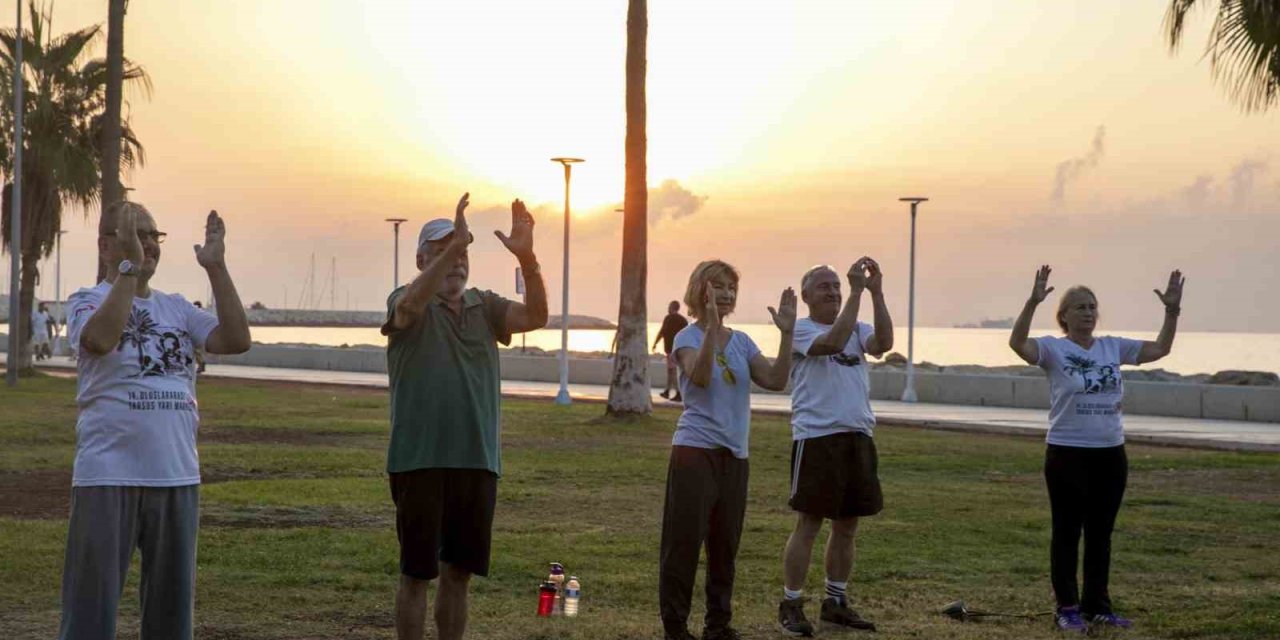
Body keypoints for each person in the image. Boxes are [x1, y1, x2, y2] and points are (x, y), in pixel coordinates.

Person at [60, 202, 251, 640]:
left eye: (152, 235)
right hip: (107, 476)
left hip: (176, 476)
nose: (147, 243)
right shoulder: (85, 301)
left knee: (171, 617)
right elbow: (101, 339)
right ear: (106, 246)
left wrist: (216, 268)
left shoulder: (178, 308)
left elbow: (236, 339)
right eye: (134, 234)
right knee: (90, 614)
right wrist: (128, 269)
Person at [381, 193, 548, 640]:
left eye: (461, 253)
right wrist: (453, 246)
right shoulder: (406, 298)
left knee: (458, 574)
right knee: (416, 575)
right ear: (421, 259)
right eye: (441, 252)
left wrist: (528, 258)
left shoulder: (485, 306)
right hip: (418, 460)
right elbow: (409, 309)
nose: (456, 262)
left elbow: (536, 315)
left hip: (477, 460)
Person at [1008, 265, 1184, 633]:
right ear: (1064, 316)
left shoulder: (1112, 347)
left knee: (1101, 533)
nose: (1088, 312)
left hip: (1110, 452)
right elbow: (1018, 345)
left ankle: (1098, 606)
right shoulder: (1054, 349)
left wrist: (1172, 311)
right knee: (1067, 531)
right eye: (1080, 307)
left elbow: (1161, 349)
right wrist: (1031, 301)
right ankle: (1067, 607)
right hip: (1067, 452)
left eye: (1092, 307)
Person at [659, 259, 796, 640]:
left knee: (724, 546)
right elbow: (699, 377)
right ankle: (675, 627)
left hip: (734, 457)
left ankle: (718, 625)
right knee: (683, 543)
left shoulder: (743, 342)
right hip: (694, 452)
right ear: (700, 289)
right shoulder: (686, 337)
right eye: (718, 285)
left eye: (731, 287)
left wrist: (787, 335)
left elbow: (776, 380)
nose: (726, 292)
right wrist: (712, 328)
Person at [777, 259, 894, 637]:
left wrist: (875, 292)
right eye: (824, 287)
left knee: (847, 525)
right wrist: (858, 293)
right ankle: (791, 603)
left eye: (836, 287)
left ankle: (835, 602)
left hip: (857, 434)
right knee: (809, 522)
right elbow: (830, 344)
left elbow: (884, 343)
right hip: (817, 437)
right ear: (806, 295)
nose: (833, 291)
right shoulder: (799, 329)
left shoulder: (858, 327)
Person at [653, 300, 689, 401]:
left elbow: (662, 331)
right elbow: (686, 334)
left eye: (669, 306)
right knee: (673, 371)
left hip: (670, 349)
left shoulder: (668, 318)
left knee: (672, 371)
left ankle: (678, 393)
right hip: (680, 349)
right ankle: (668, 391)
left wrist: (655, 343)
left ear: (672, 307)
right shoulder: (683, 320)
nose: (668, 308)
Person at [191, 301, 208, 373]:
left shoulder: (195, 315)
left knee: (195, 351)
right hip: (201, 335)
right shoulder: (202, 315)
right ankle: (201, 364)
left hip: (195, 336)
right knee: (196, 352)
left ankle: (201, 364)